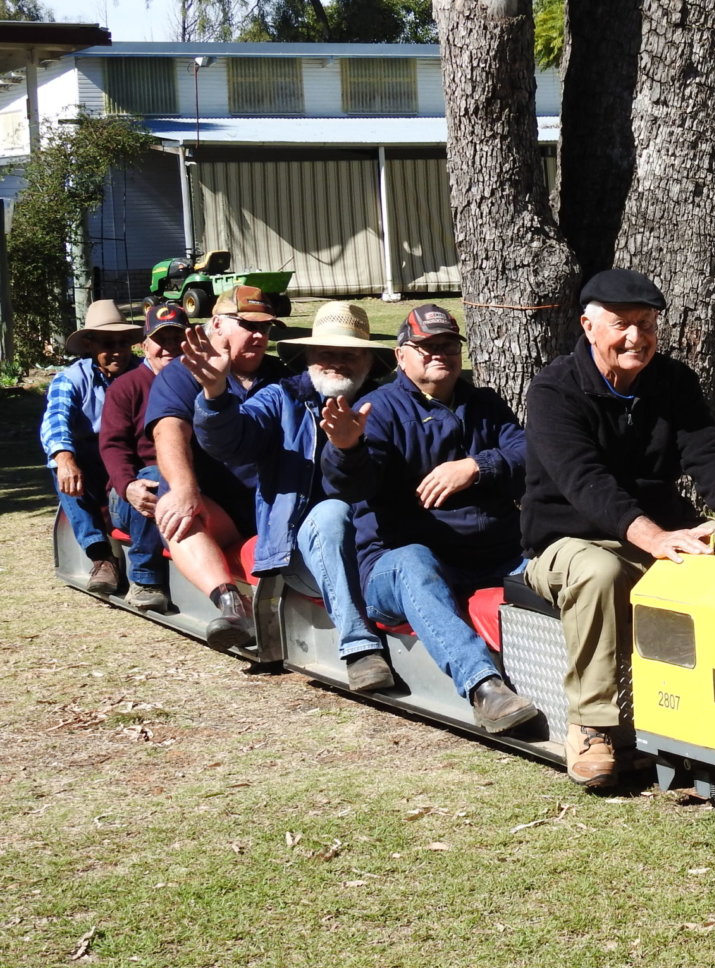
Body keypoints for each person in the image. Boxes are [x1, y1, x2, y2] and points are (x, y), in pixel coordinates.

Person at [521, 268, 715, 788]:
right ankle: (591, 726)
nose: (637, 337)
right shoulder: (554, 390)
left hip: (659, 529)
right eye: (622, 324)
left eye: (647, 323)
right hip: (568, 539)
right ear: (589, 326)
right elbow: (584, 482)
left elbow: (706, 451)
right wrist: (654, 538)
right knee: (599, 571)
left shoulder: (673, 380)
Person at [319, 304, 535, 732]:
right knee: (414, 559)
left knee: (564, 559)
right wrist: (345, 450)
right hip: (398, 572)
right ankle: (484, 687)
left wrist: (476, 466)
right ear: (401, 356)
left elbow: (531, 454)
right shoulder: (376, 410)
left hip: (495, 556)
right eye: (426, 346)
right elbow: (352, 486)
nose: (440, 354)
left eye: (448, 346)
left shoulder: (485, 403)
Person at [188, 301, 396, 692]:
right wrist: (215, 393)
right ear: (307, 357)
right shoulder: (280, 399)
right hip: (303, 556)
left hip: (381, 548)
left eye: (349, 353)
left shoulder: (387, 402)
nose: (337, 362)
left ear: (369, 359)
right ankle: (359, 649)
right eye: (325, 353)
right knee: (330, 514)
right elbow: (231, 441)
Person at [146, 285, 287, 650]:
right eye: (246, 325)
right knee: (174, 507)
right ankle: (230, 604)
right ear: (218, 325)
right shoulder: (181, 374)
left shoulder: (280, 374)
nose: (258, 335)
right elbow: (168, 432)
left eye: (266, 328)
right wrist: (183, 487)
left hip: (273, 504)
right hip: (217, 507)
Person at [40, 300, 141, 595]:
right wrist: (64, 457)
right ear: (89, 345)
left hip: (132, 457)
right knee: (65, 469)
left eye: (124, 343)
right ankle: (101, 556)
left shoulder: (142, 373)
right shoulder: (71, 379)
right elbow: (55, 419)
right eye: (108, 343)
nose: (118, 351)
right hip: (92, 460)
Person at [98, 302, 191, 613]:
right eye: (160, 340)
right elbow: (112, 446)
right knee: (153, 479)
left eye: (177, 339)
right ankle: (145, 580)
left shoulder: (203, 382)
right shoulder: (126, 387)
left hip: (187, 483)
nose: (169, 348)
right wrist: (127, 486)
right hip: (130, 493)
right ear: (144, 345)